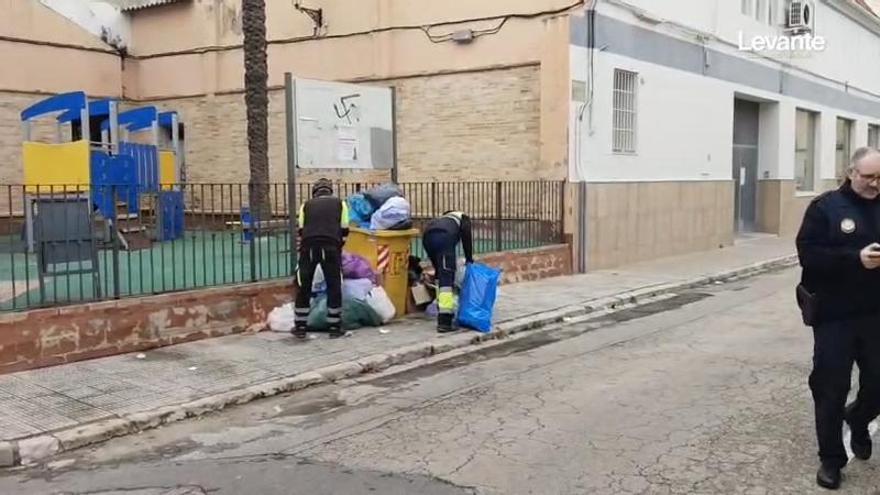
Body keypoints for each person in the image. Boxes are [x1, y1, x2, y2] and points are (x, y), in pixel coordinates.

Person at [796, 147, 880, 490]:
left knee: (878, 385)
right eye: (869, 176)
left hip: (876, 314)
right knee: (831, 388)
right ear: (851, 172)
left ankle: (858, 418)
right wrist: (854, 258)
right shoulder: (825, 208)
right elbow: (808, 254)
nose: (875, 184)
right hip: (834, 316)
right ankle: (831, 459)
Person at [294, 178, 349, 339]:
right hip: (331, 247)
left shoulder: (306, 205)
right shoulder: (340, 204)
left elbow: (301, 230)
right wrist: (339, 246)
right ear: (330, 191)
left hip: (308, 247)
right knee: (334, 285)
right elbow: (345, 229)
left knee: (304, 285)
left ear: (315, 192)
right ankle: (334, 327)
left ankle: (300, 326)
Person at [422, 210, 474, 332]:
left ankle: (439, 307)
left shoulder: (442, 219)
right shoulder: (463, 218)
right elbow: (467, 238)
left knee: (440, 274)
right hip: (444, 238)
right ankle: (444, 321)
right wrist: (469, 259)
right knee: (447, 278)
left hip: (427, 237)